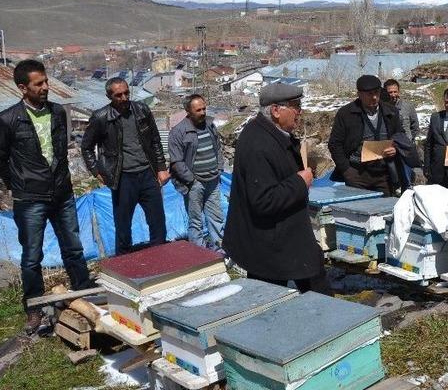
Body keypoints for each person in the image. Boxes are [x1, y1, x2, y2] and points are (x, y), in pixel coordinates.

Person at [0, 59, 95, 334]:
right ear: (23, 88)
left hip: (62, 192)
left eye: (46, 81)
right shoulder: (8, 119)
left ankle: (84, 290)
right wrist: (17, 181)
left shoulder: (58, 112)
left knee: (73, 245)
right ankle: (34, 309)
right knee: (32, 256)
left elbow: (59, 151)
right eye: (39, 84)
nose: (46, 87)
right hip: (30, 198)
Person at [223, 83, 330, 294]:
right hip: (270, 241)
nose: (300, 112)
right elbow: (263, 200)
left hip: (283, 234)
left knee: (306, 279)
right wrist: (300, 182)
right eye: (295, 106)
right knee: (272, 296)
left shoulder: (272, 133)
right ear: (275, 111)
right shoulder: (258, 144)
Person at [81, 77, 169, 255]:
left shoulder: (142, 110)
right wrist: (96, 171)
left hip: (147, 174)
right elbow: (86, 147)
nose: (124, 98)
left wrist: (161, 167)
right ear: (109, 96)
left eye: (127, 93)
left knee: (157, 221)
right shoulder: (101, 117)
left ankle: (161, 259)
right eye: (118, 95)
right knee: (123, 226)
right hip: (123, 179)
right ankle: (125, 263)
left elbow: (155, 140)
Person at [328, 75, 406, 196]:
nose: (374, 97)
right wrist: (346, 170)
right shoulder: (346, 114)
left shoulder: (391, 111)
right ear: (359, 94)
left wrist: (395, 148)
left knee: (385, 210)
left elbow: (400, 136)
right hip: (357, 174)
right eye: (369, 94)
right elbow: (335, 143)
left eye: (376, 93)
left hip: (384, 173)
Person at [168, 94, 224, 250]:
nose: (203, 112)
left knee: (216, 217)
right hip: (194, 184)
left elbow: (218, 148)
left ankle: (219, 250)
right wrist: (192, 180)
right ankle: (198, 253)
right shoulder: (179, 132)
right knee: (196, 220)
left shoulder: (210, 125)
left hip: (213, 180)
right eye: (198, 110)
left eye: (204, 108)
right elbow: (176, 161)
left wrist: (219, 169)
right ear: (188, 111)